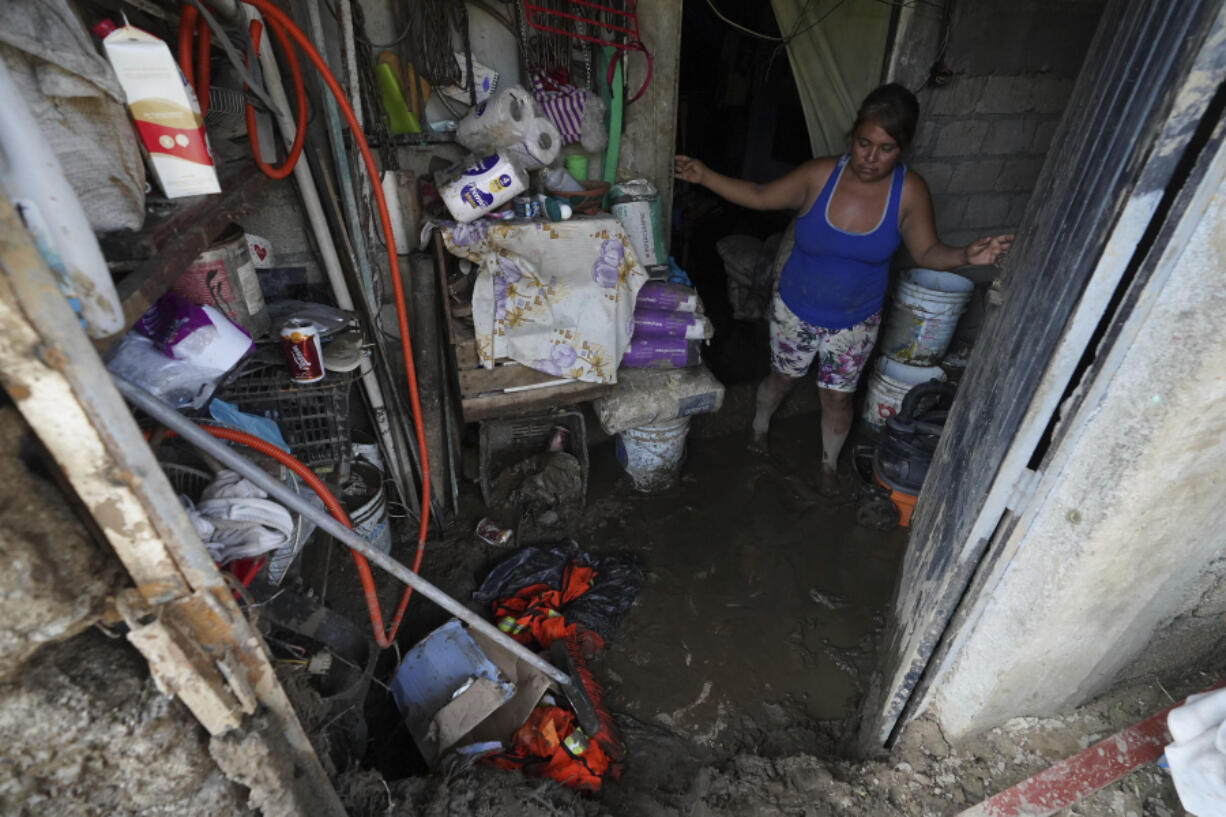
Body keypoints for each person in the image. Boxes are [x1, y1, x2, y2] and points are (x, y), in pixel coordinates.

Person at [675, 83, 1012, 497]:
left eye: (886, 148)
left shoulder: (908, 192)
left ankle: (828, 465)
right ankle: (758, 430)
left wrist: (967, 255)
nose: (870, 158)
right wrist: (704, 175)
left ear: (902, 148)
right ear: (852, 136)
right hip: (796, 309)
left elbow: (926, 251)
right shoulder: (819, 176)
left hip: (855, 319)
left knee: (836, 398)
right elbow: (761, 196)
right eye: (863, 143)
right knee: (781, 379)